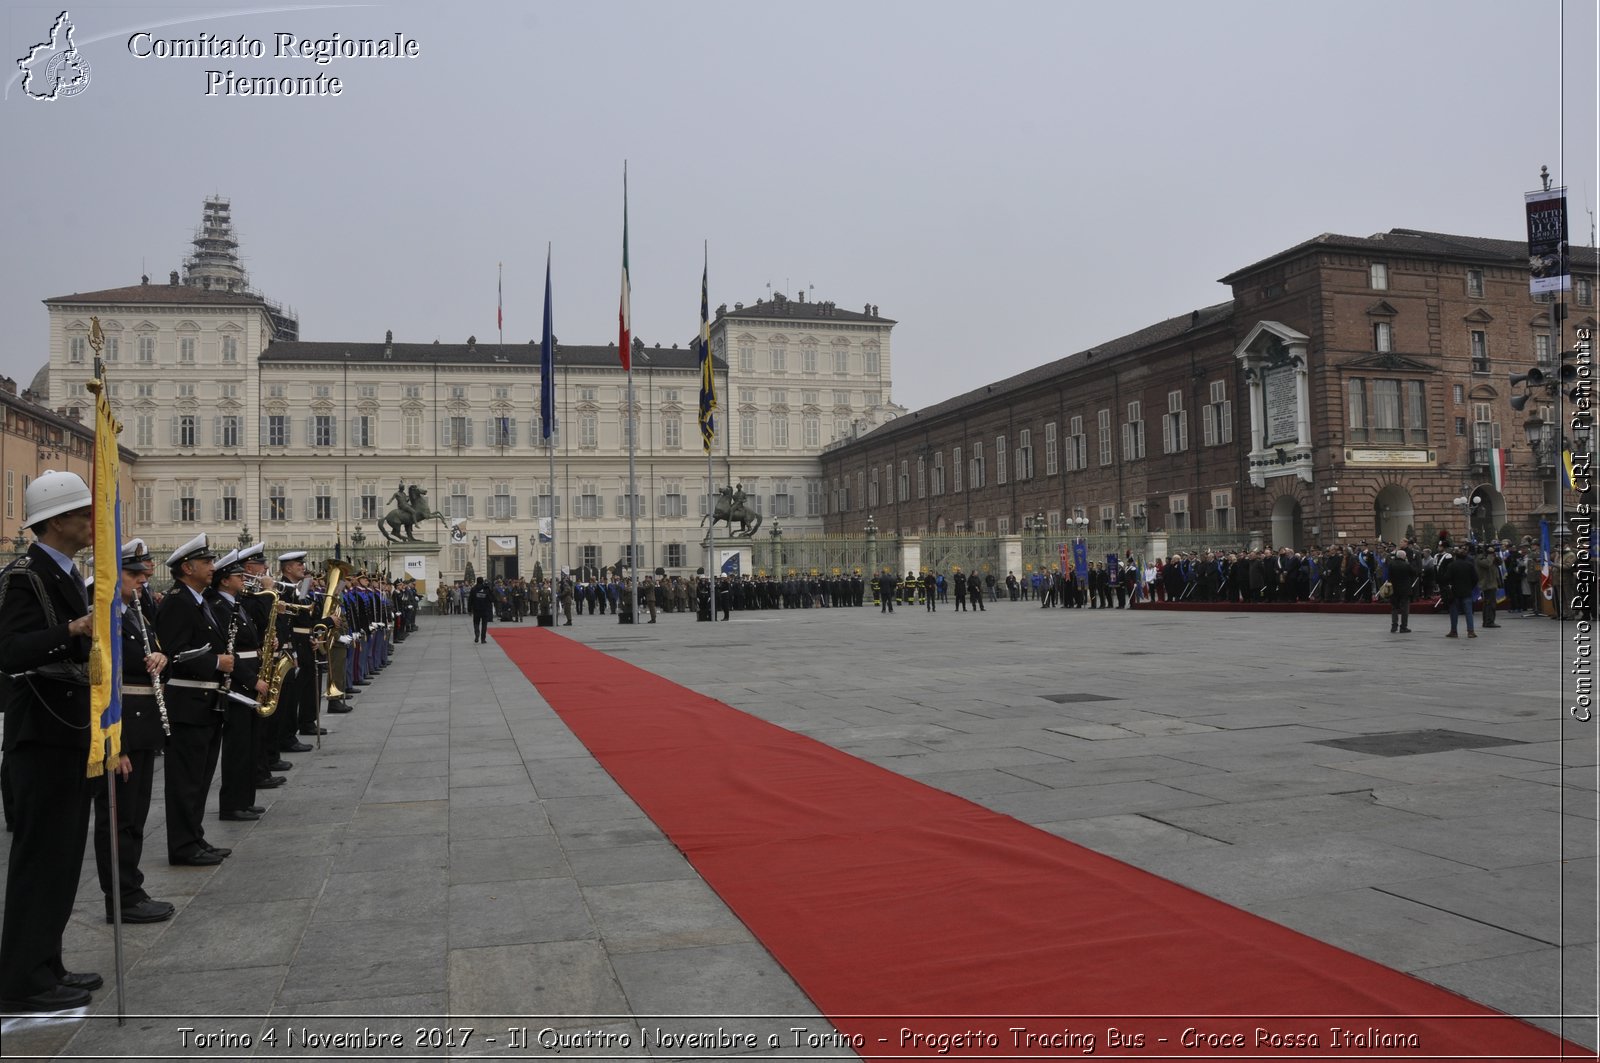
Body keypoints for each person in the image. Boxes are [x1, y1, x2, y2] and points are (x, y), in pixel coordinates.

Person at [0, 470, 104, 1012]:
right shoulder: (25, 576)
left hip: (66, 734)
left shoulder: (63, 573)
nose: (92, 522)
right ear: (58, 521)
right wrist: (73, 630)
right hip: (40, 735)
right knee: (40, 858)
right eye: (84, 514)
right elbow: (11, 650)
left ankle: (47, 963)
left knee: (62, 858)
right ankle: (22, 979)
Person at [92, 539, 176, 924]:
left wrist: (161, 657)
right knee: (119, 819)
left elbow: (155, 656)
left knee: (136, 817)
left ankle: (132, 887)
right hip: (120, 732)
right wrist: (116, 745)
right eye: (134, 573)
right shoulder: (104, 616)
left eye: (143, 573)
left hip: (143, 729)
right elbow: (100, 685)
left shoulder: (136, 613)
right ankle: (121, 897)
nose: (143, 579)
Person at [156, 534, 235, 866]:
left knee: (200, 778)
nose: (212, 567)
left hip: (206, 702)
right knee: (185, 781)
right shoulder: (177, 601)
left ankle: (194, 837)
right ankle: (182, 845)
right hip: (188, 702)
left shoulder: (199, 600)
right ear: (187, 568)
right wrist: (217, 662)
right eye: (206, 563)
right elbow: (173, 653)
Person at [1442, 547, 1480, 638]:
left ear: (1456, 556)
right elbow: (1475, 578)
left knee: (1454, 612)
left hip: (1454, 592)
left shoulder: (1452, 565)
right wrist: (1470, 587)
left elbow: (1446, 578)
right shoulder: (1470, 565)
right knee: (1468, 612)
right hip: (1467, 591)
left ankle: (1454, 631)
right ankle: (1470, 631)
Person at [1386, 548, 1416, 634]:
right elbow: (1414, 573)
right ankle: (1403, 627)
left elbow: (1389, 576)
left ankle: (1394, 626)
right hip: (1405, 590)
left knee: (1394, 608)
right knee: (1405, 609)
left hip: (1394, 590)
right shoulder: (1406, 565)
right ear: (1404, 557)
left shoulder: (1391, 564)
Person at [469, 577, 493, 643]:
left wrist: (469, 610)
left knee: (476, 623)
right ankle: (483, 639)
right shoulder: (487, 589)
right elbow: (491, 598)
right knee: (484, 624)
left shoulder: (473, 589)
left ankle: (477, 634)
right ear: (483, 581)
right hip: (485, 609)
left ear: (477, 581)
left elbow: (470, 600)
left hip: (476, 609)